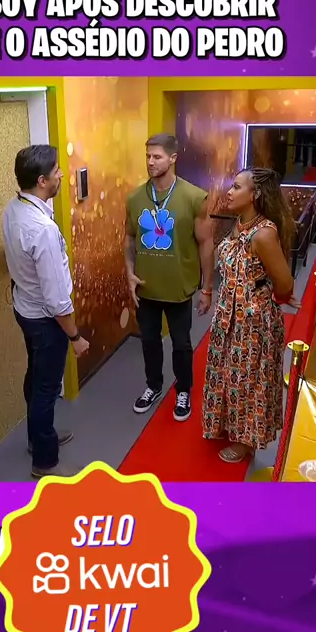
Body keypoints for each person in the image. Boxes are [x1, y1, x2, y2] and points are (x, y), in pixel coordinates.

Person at [2, 145, 89, 479]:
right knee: (46, 390)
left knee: (35, 376)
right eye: (56, 172)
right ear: (42, 180)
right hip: (46, 321)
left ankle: (37, 438)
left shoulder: (14, 209)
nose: (62, 175)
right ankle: (45, 462)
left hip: (25, 310)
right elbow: (56, 301)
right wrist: (75, 337)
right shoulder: (42, 230)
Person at [202, 167, 299, 463]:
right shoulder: (240, 223)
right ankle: (228, 424)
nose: (229, 192)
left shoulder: (263, 234)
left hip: (253, 324)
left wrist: (266, 295)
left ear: (254, 194)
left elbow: (285, 284)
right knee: (228, 376)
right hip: (228, 318)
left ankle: (247, 441)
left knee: (249, 382)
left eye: (237, 187)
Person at [124, 133, 215, 421]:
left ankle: (183, 389)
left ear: (173, 158)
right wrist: (129, 273)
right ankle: (153, 386)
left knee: (181, 344)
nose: (150, 162)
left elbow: (206, 243)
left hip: (179, 287)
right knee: (149, 342)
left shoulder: (194, 197)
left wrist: (207, 288)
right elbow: (129, 238)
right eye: (148, 156)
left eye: (157, 157)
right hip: (146, 288)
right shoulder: (135, 198)